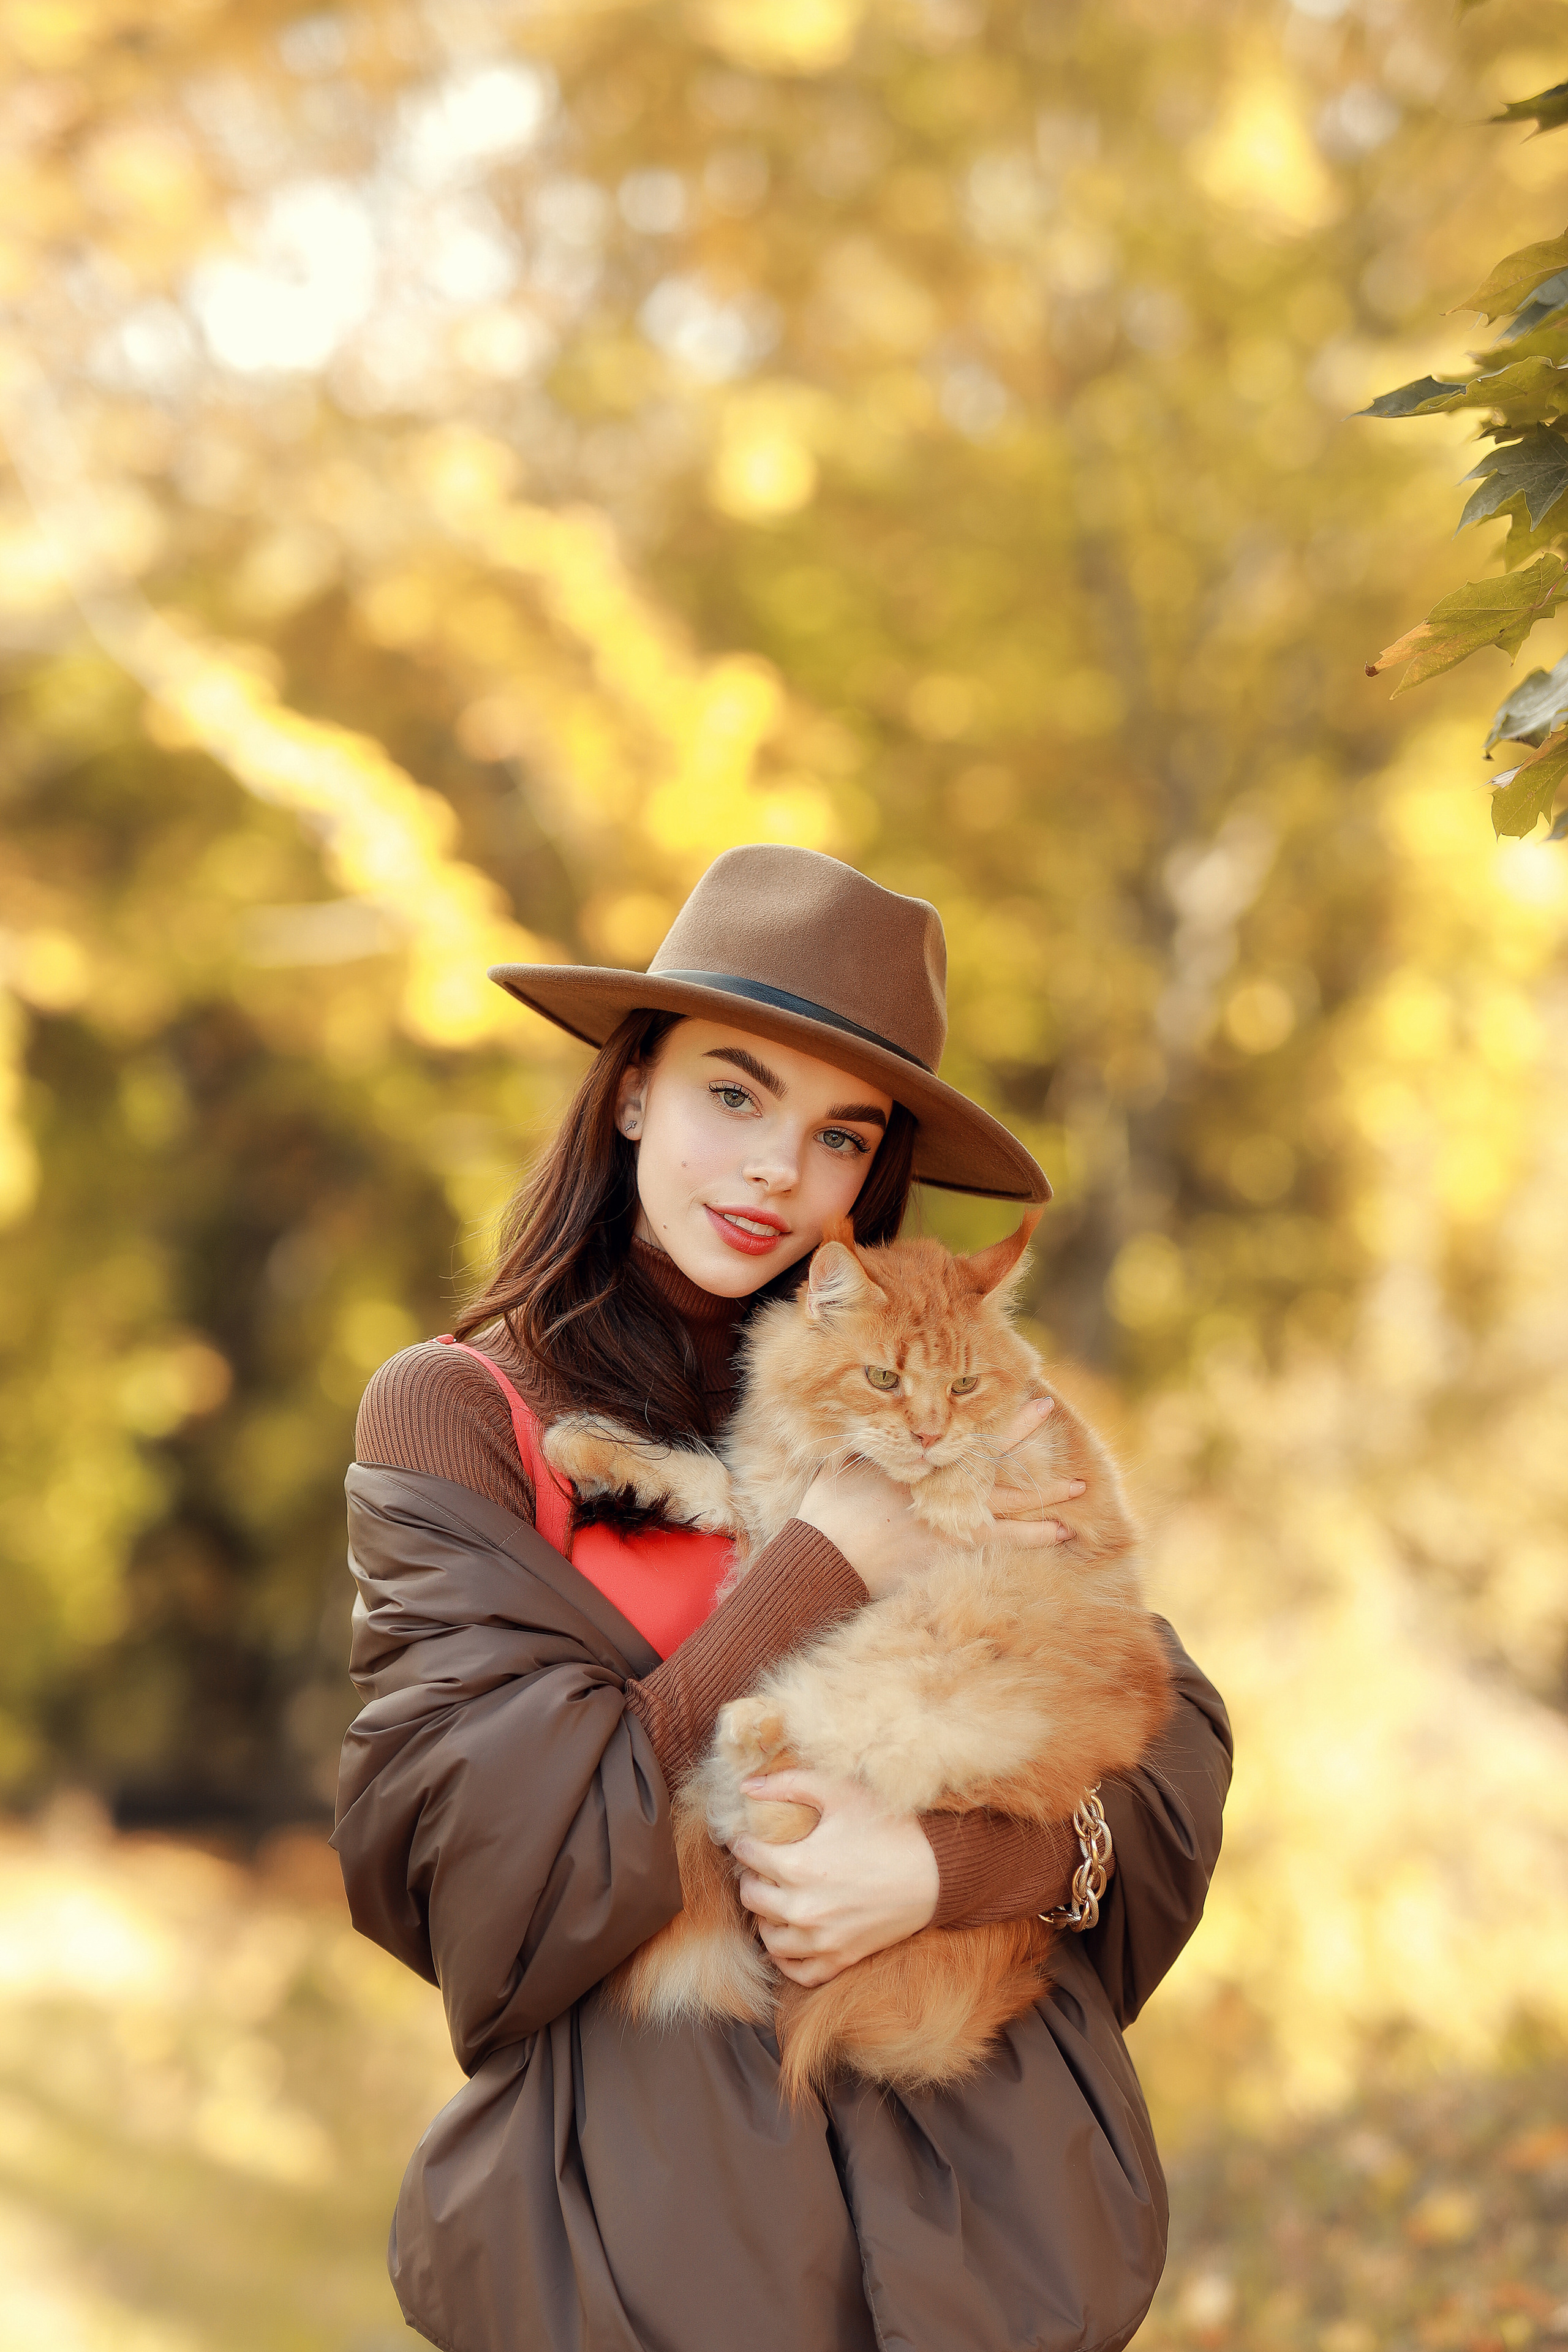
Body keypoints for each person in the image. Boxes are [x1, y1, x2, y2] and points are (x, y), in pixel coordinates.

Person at [333, 844, 1232, 2352]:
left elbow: (1158, 1757)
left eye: (838, 1137)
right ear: (632, 1090)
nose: (774, 1172)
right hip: (647, 2256)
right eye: (731, 1096)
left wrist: (952, 1870)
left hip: (989, 2250)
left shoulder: (936, 1384)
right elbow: (488, 1858)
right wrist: (825, 1562)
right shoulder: (462, 1412)